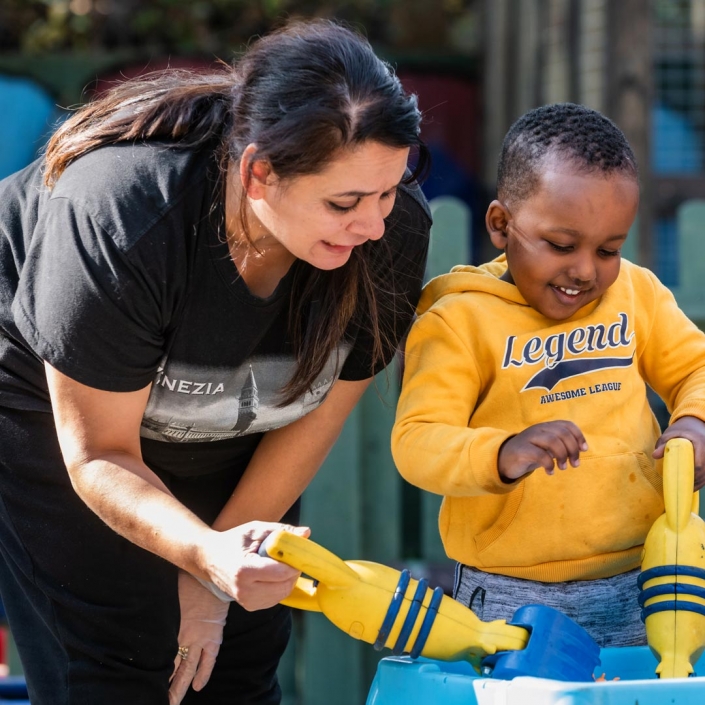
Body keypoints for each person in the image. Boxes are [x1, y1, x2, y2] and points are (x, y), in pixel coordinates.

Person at [0, 19, 431, 705]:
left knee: (235, 655)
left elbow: (316, 414)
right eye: (344, 202)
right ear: (258, 172)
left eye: (387, 192)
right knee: (121, 657)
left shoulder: (390, 231)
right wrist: (205, 552)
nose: (374, 224)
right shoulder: (123, 214)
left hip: (219, 411)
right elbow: (99, 455)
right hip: (54, 403)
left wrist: (213, 581)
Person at [391, 102, 705, 648]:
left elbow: (695, 367)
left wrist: (696, 422)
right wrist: (501, 452)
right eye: (562, 245)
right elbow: (417, 442)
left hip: (644, 578)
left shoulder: (637, 294)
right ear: (500, 225)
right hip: (511, 593)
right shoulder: (459, 321)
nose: (585, 270)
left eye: (609, 249)